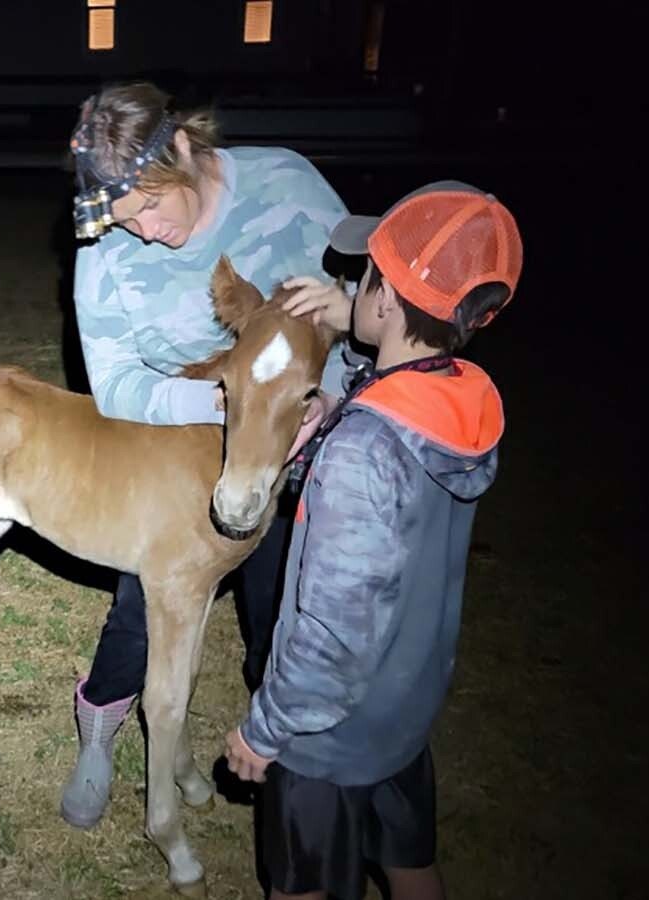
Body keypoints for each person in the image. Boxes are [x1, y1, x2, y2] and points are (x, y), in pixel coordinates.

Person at [60, 81, 353, 829]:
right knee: (144, 601)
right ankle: (100, 719)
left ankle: (286, 750)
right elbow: (115, 382)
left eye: (153, 206)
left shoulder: (289, 186)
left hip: (303, 452)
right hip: (180, 451)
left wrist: (327, 402)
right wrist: (218, 410)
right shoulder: (108, 248)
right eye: (128, 218)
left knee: (287, 606)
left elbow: (361, 320)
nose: (147, 231)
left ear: (185, 149)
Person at [223, 181, 523, 900]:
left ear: (385, 299)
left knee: (301, 886)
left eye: (362, 276)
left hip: (326, 738)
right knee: (411, 865)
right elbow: (397, 420)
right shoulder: (460, 403)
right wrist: (337, 407)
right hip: (405, 711)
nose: (350, 286)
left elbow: (335, 632)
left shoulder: (364, 450)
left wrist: (265, 732)